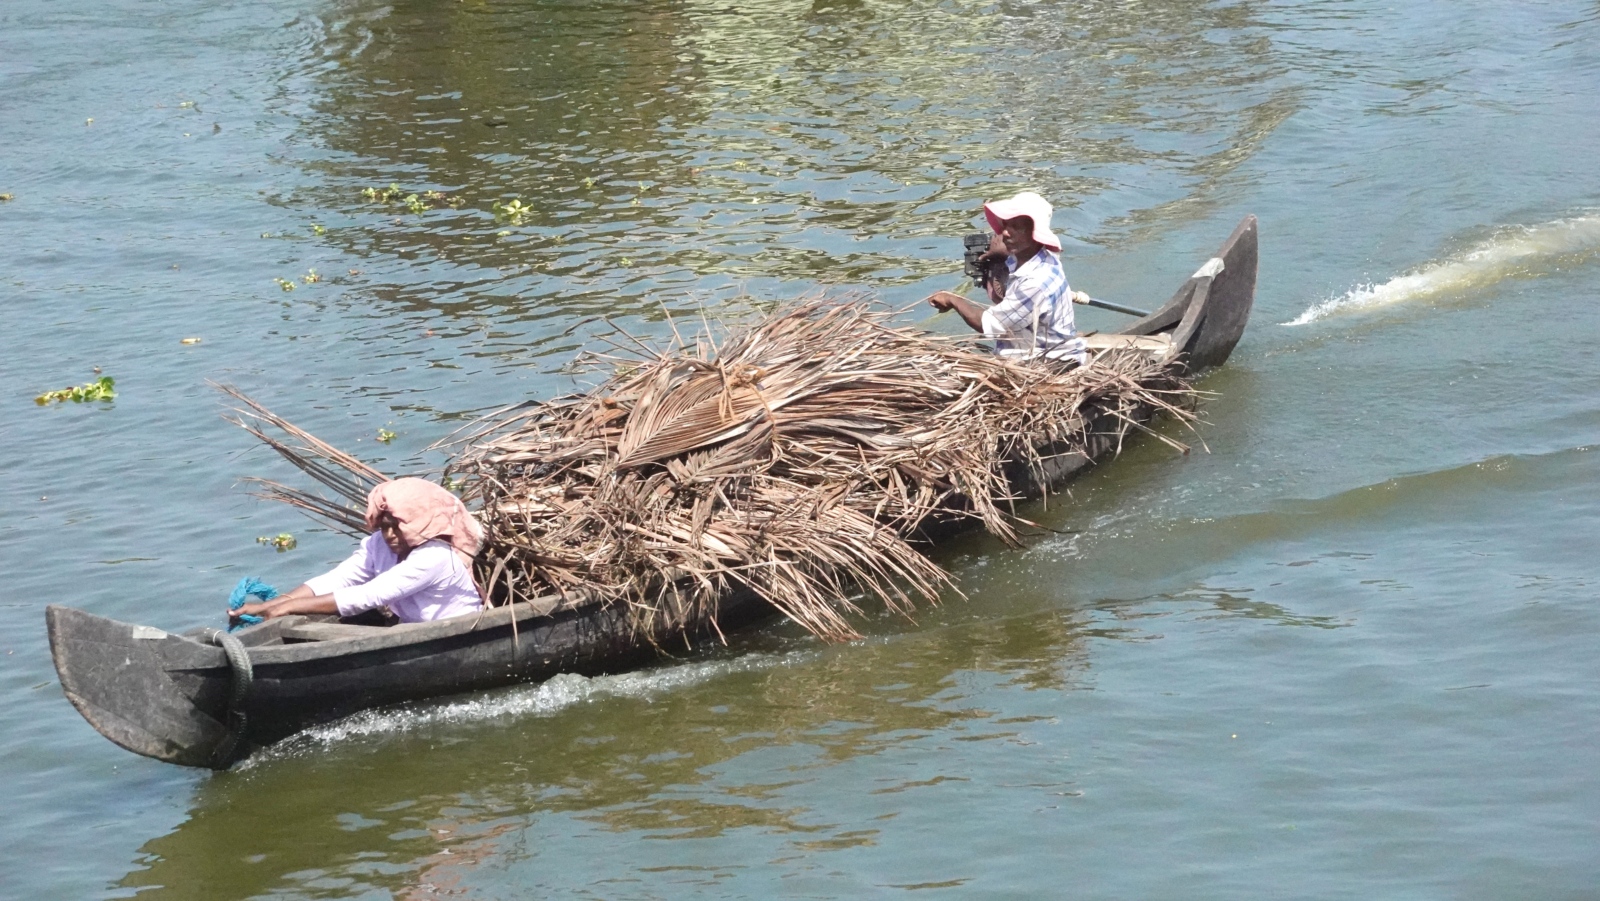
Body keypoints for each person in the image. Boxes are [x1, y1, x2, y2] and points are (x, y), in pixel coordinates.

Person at [229, 477, 484, 625]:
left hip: (454, 628)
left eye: (399, 528)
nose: (390, 535)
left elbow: (369, 595)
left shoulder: (435, 556)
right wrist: (278, 602)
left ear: (421, 524)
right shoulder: (379, 544)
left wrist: (288, 609)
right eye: (385, 527)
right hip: (412, 627)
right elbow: (340, 579)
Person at [925, 191, 1088, 365]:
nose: (1005, 233)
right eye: (1005, 225)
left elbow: (988, 324)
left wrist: (952, 299)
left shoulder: (1036, 283)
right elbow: (1005, 297)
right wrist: (999, 257)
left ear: (1035, 233)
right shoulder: (1043, 256)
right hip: (1036, 348)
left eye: (1016, 227)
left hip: (1048, 362)